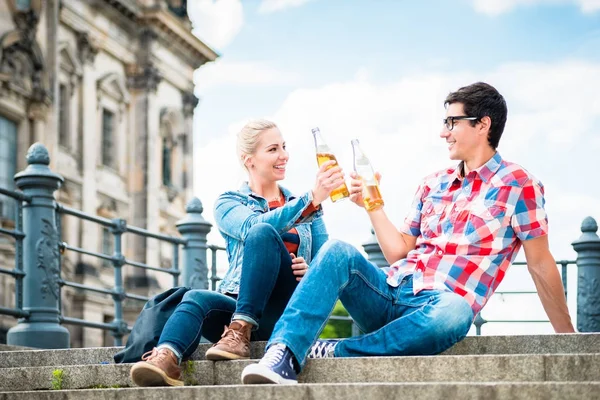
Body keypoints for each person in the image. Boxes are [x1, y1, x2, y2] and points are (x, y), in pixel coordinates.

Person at [241, 82, 575, 385]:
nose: (444, 132)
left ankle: (339, 352)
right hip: (391, 291)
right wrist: (373, 206)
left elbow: (540, 265)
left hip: (438, 310)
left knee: (457, 311)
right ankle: (282, 355)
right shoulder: (434, 183)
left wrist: (569, 339)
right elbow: (399, 253)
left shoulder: (519, 184)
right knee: (337, 250)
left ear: (483, 124)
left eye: (452, 122)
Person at [130, 119, 345, 386]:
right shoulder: (229, 202)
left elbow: (329, 262)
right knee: (195, 295)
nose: (284, 155)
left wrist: (310, 270)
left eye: (284, 147)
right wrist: (310, 197)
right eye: (273, 149)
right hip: (237, 309)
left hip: (288, 310)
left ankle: (240, 330)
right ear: (249, 159)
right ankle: (165, 359)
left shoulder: (309, 208)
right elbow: (252, 226)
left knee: (263, 233)